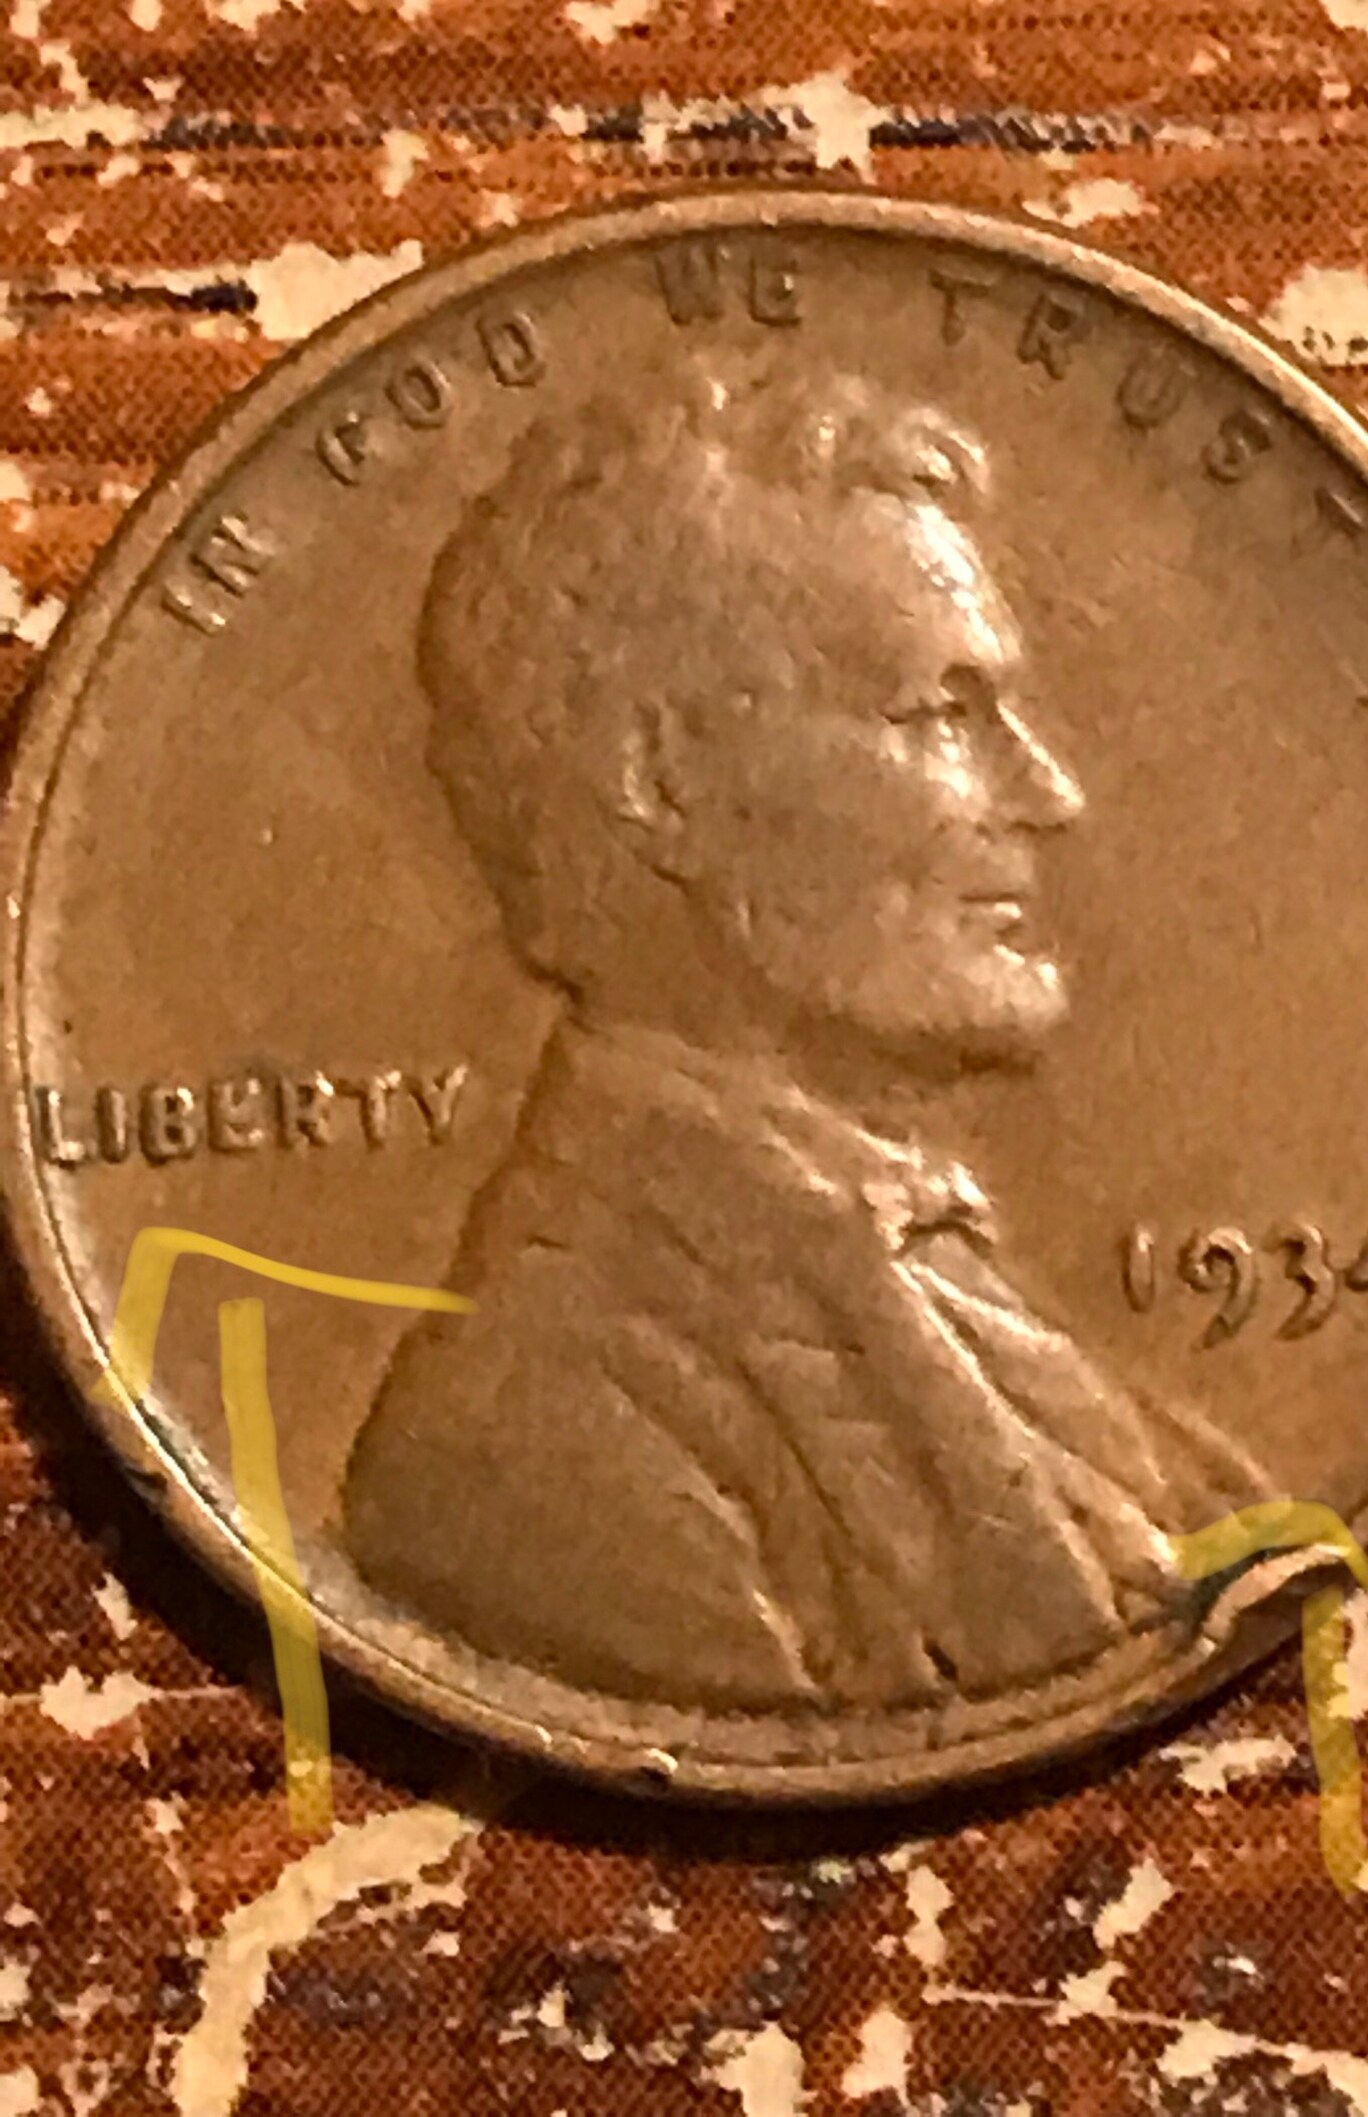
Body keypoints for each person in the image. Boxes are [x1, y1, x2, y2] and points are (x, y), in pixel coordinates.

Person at [341, 366, 1268, 1709]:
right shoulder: (526, 1444)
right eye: (940, 713)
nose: (1048, 792)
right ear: (661, 776)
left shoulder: (944, 1289)